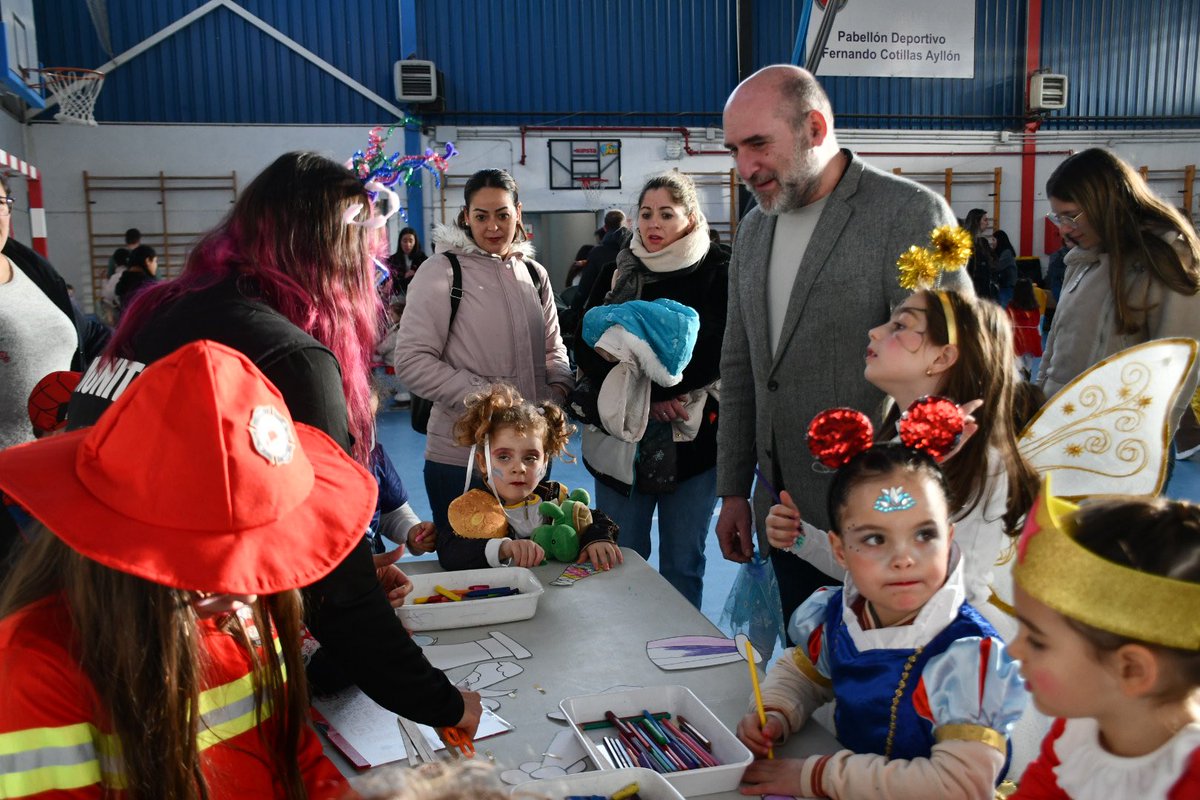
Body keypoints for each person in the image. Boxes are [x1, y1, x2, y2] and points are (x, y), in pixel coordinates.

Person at [66, 151, 481, 734]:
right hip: (183, 669)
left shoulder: (160, 313)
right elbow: (334, 583)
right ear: (338, 256)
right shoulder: (288, 356)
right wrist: (440, 702)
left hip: (79, 635)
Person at [0, 340, 368, 799]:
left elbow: (294, 756)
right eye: (213, 558)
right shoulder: (40, 666)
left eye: (262, 551)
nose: (249, 590)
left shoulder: (240, 609)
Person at [716, 64, 969, 629]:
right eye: (734, 149)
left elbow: (951, 373)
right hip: (780, 514)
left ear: (814, 127)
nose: (744, 167)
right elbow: (741, 365)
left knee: (878, 686)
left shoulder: (908, 213)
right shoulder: (756, 228)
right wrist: (734, 488)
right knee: (804, 674)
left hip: (882, 525)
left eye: (758, 144)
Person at [736, 441, 1026, 798]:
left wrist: (816, 777)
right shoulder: (844, 615)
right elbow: (803, 673)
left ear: (949, 539)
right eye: (875, 538)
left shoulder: (968, 655)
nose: (903, 558)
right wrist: (775, 711)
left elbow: (958, 785)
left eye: (924, 534)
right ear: (840, 550)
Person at [766, 289, 1038, 616]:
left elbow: (958, 593)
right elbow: (876, 571)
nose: (875, 331)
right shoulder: (896, 451)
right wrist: (801, 539)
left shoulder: (983, 464)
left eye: (900, 326)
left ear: (942, 358)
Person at [573, 171, 728, 608]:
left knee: (683, 562)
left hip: (693, 444)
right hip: (621, 443)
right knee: (621, 558)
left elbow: (723, 346)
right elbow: (584, 342)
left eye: (666, 214)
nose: (653, 224)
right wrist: (650, 395)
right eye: (646, 214)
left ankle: (682, 651)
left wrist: (663, 391)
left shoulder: (718, 270)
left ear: (691, 217)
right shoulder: (614, 269)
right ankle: (625, 659)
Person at [395, 168, 572, 541]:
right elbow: (411, 361)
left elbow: (554, 349)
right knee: (469, 572)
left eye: (503, 214)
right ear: (466, 217)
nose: (493, 226)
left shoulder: (534, 275)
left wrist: (555, 394)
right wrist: (487, 399)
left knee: (531, 562)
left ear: (518, 213)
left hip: (529, 459)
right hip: (462, 457)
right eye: (481, 216)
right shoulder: (442, 272)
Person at [1009, 488, 1200, 798]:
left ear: (1132, 670)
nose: (1014, 650)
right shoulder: (1077, 732)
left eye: (1038, 642)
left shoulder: (1190, 780)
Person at [1040, 147, 1200, 439]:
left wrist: (1145, 448)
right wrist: (1038, 404)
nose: (1064, 229)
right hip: (1062, 433)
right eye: (1058, 218)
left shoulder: (1164, 260)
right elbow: (1055, 346)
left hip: (1118, 443)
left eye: (1071, 216)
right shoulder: (1082, 261)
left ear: (1105, 203)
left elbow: (1178, 365)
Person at [439, 383, 620, 571]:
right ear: (483, 462)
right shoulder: (472, 508)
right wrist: (504, 549)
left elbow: (597, 520)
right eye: (504, 457)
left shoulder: (554, 497)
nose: (519, 468)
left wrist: (597, 539)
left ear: (544, 462)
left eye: (530, 458)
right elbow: (448, 552)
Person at [568, 209, 631, 334]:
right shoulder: (633, 250)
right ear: (625, 225)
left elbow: (585, 288)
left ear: (605, 228)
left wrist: (574, 311)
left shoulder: (597, 253)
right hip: (630, 313)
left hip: (603, 312)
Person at [1007, 278, 1043, 379]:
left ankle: (1022, 370)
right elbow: (1037, 324)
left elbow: (1007, 322)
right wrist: (1038, 338)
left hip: (1016, 337)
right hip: (1031, 337)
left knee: (1017, 360)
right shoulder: (1035, 308)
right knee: (1029, 360)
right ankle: (1028, 371)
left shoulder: (1011, 306)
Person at [963, 208, 997, 301]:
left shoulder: (983, 242)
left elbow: (992, 264)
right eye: (985, 220)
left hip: (984, 289)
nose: (987, 223)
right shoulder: (965, 243)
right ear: (976, 222)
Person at [114, 243, 159, 311]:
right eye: (155, 261)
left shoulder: (123, 282)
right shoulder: (148, 285)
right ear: (147, 261)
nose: (156, 265)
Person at [388, 226, 427, 294]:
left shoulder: (423, 259)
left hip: (419, 294)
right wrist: (404, 276)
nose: (407, 244)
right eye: (405, 241)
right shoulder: (392, 260)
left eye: (411, 241)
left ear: (415, 242)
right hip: (399, 296)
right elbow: (391, 283)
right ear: (400, 242)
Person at [990, 228, 1019, 305]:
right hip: (1002, 287)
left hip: (1008, 287)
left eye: (993, 240)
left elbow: (997, 267)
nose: (992, 243)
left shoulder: (1007, 253)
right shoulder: (998, 253)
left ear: (999, 241)